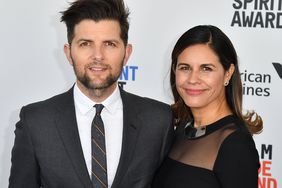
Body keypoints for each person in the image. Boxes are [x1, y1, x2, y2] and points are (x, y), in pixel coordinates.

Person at [8, 0, 174, 187]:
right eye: (85, 44)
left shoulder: (159, 120)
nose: (98, 55)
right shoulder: (36, 122)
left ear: (126, 54)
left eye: (110, 44)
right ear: (69, 53)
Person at [152, 25, 263, 188]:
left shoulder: (235, 144)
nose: (192, 79)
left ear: (228, 72)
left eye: (206, 68)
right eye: (185, 67)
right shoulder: (181, 129)